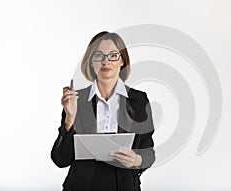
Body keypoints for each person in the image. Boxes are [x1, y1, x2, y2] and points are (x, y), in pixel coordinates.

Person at [51, 31, 155, 191]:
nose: (106, 61)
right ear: (91, 62)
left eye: (113, 55)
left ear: (122, 61)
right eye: (99, 56)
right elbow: (60, 159)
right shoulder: (76, 100)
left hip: (124, 186)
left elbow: (149, 152)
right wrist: (70, 118)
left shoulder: (139, 100)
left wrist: (137, 160)